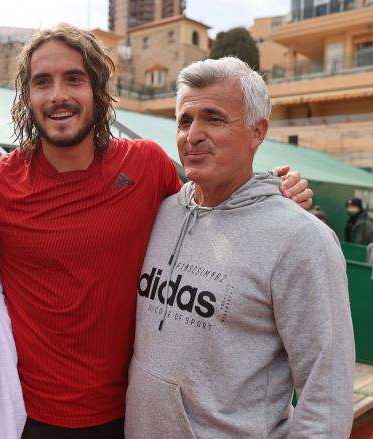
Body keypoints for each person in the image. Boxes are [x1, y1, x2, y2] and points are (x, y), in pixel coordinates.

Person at [0, 24, 313, 437]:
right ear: (28, 97)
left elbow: (208, 207)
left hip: (132, 416)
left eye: (73, 79)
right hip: (27, 417)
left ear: (98, 91)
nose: (58, 95)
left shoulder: (146, 166)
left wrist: (277, 193)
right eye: (43, 82)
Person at [125, 57, 354, 438]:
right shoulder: (162, 212)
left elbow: (326, 394)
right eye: (185, 120)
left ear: (256, 131)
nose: (193, 135)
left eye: (214, 119)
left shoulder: (301, 239)